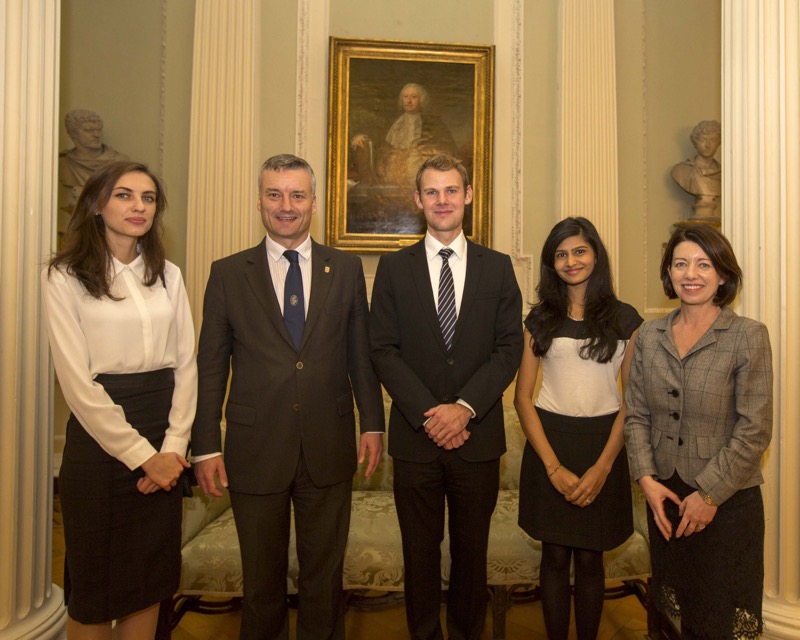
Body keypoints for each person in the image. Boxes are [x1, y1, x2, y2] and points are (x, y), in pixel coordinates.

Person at [191, 153, 385, 639]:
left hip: (329, 443)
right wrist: (206, 444)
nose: (286, 205)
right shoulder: (228, 273)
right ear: (260, 201)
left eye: (297, 195)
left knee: (325, 579)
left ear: (313, 203)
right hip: (255, 449)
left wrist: (372, 423)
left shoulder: (344, 269)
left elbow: (360, 354)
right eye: (275, 194)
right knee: (261, 583)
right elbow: (211, 365)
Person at [369, 153, 523, 639]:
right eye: (431, 192)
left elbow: (508, 348)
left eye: (451, 190)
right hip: (416, 440)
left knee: (471, 554)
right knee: (419, 553)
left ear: (468, 195)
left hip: (477, 440)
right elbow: (383, 349)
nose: (442, 200)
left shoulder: (498, 269)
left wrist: (464, 410)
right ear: (417, 200)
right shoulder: (393, 270)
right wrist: (429, 414)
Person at [41, 160, 197, 639]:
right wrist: (143, 458)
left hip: (165, 433)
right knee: (94, 590)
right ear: (96, 204)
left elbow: (186, 365)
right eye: (125, 195)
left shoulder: (168, 274)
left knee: (147, 583)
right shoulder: (64, 276)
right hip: (100, 440)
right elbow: (78, 385)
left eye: (148, 198)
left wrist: (172, 448)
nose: (138, 206)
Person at [624, 223, 773, 638]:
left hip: (726, 506)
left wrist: (708, 495)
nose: (691, 274)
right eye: (681, 264)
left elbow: (755, 429)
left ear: (722, 274)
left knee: (717, 621)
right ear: (668, 273)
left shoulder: (747, 336)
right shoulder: (649, 336)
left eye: (703, 264)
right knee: (671, 617)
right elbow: (635, 414)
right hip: (666, 501)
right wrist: (647, 481)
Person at [513, 217, 642, 639]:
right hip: (550, 445)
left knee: (590, 559)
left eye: (579, 251)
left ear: (595, 255)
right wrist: (552, 467)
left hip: (604, 445)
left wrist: (604, 467)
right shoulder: (539, 320)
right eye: (562, 254)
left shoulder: (626, 319)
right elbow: (522, 398)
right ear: (552, 264)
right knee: (553, 556)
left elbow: (632, 402)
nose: (571, 261)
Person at [351, 83, 457, 188]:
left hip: (416, 163)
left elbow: (445, 144)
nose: (409, 101)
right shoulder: (392, 122)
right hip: (391, 164)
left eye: (414, 97)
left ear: (422, 100)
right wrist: (361, 136)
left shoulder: (432, 122)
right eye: (406, 97)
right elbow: (378, 139)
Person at [59, 109, 129, 211]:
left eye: (99, 130)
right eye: (89, 130)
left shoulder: (120, 162)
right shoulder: (63, 163)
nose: (96, 135)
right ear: (73, 133)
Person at [670, 120, 722, 220]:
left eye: (713, 140)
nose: (708, 145)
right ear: (695, 142)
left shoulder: (724, 175)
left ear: (719, 143)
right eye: (703, 140)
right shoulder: (682, 171)